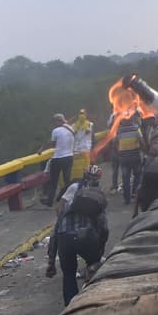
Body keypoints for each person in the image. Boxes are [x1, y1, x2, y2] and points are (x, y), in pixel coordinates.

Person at [45, 165, 109, 305]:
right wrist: (99, 250)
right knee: (95, 267)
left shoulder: (70, 198)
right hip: (86, 237)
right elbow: (104, 227)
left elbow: (56, 230)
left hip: (64, 238)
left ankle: (71, 307)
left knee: (68, 274)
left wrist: (51, 262)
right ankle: (93, 300)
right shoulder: (98, 196)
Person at [41, 113, 75, 205]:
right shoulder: (71, 129)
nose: (53, 124)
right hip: (69, 157)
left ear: (58, 121)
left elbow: (53, 144)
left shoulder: (56, 131)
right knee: (67, 180)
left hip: (58, 158)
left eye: (54, 122)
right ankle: (67, 200)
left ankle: (50, 201)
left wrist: (42, 148)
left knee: (54, 181)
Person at [115, 112, 144, 206]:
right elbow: (142, 142)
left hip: (123, 159)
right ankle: (135, 193)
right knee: (137, 175)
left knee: (125, 179)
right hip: (135, 157)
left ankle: (126, 199)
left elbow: (114, 143)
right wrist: (144, 152)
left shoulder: (118, 131)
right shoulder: (136, 130)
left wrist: (119, 152)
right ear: (131, 120)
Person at [69, 109, 94, 182]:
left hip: (79, 149)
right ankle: (83, 180)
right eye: (81, 113)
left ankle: (79, 180)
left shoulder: (74, 125)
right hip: (82, 149)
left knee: (80, 166)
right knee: (82, 166)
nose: (82, 115)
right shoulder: (89, 124)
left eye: (82, 113)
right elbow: (92, 137)